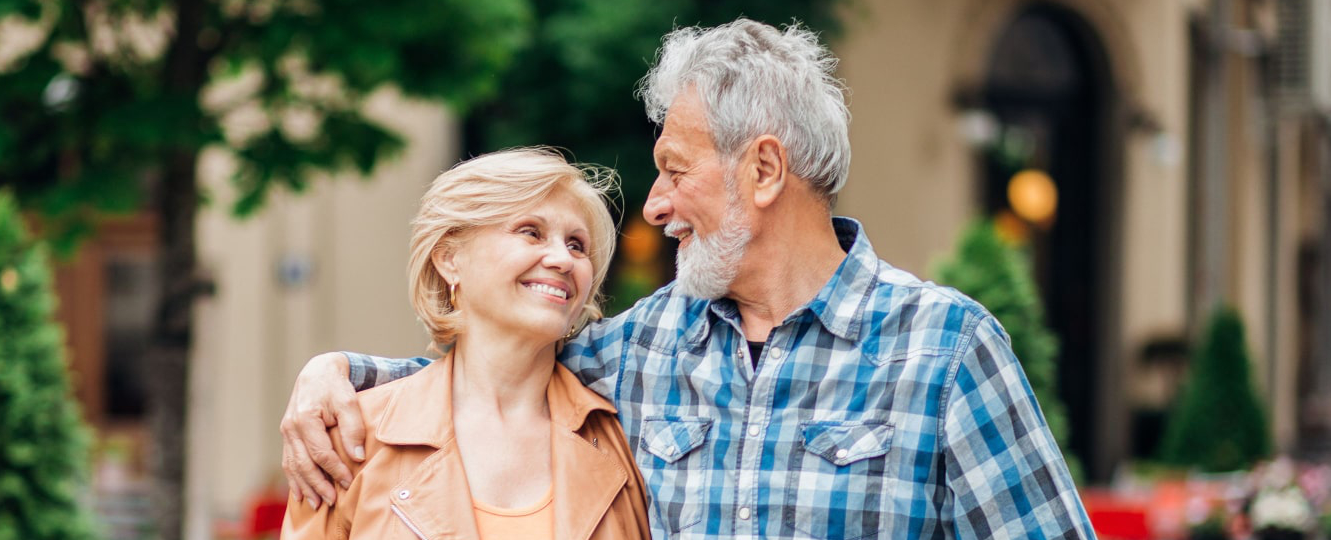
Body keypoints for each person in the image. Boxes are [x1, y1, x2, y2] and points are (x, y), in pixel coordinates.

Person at [279, 18, 1098, 540]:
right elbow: (486, 379)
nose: (659, 203)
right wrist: (339, 378)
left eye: (675, 169)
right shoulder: (641, 346)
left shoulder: (944, 349)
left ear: (765, 170)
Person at [281, 148, 651, 539]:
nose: (562, 259)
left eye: (577, 244)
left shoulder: (626, 435)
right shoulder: (353, 437)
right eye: (531, 232)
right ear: (449, 258)